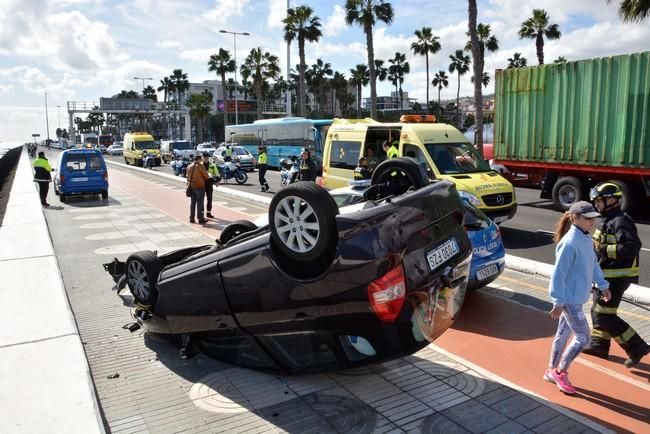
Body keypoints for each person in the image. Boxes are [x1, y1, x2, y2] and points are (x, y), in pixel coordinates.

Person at [544, 201, 611, 395]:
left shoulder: (585, 239)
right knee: (583, 337)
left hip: (575, 297)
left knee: (563, 334)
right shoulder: (569, 243)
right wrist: (557, 302)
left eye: (594, 218)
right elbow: (558, 275)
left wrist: (603, 285)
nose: (593, 222)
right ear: (575, 218)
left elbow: (593, 265)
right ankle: (560, 371)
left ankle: (551, 370)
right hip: (569, 300)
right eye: (588, 218)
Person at [582, 182, 649, 367]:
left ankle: (637, 346)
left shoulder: (621, 221)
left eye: (599, 201)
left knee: (605, 316)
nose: (597, 205)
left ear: (611, 200)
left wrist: (603, 249)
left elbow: (632, 246)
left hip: (617, 277)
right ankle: (599, 346)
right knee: (597, 311)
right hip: (605, 276)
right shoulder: (607, 219)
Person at [186, 155, 209, 224]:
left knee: (192, 203)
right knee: (200, 203)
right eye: (201, 159)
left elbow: (187, 177)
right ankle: (200, 218)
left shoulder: (189, 166)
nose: (201, 160)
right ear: (199, 159)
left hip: (192, 187)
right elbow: (206, 176)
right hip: (200, 187)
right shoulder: (200, 166)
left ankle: (191, 218)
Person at [202, 153, 219, 218]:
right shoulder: (200, 165)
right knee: (201, 199)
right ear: (202, 157)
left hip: (209, 183)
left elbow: (217, 174)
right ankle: (202, 213)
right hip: (202, 184)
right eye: (204, 157)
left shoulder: (212, 165)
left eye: (207, 157)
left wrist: (216, 181)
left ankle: (208, 213)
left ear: (208, 158)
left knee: (209, 199)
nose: (206, 158)